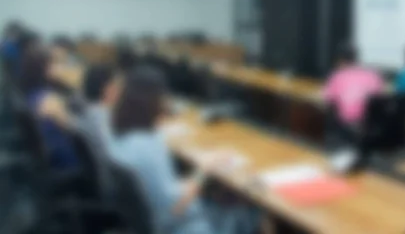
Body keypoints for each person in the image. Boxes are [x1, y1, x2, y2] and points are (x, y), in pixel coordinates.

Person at [110, 66, 254, 234]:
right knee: (244, 214)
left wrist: (193, 179)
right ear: (152, 103)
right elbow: (175, 207)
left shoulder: (120, 136)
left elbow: (161, 190)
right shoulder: (148, 145)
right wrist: (202, 171)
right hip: (177, 226)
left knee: (224, 202)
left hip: (150, 220)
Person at [19, 45, 79, 170]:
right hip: (64, 158)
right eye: (54, 64)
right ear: (44, 69)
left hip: (47, 153)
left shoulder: (31, 92)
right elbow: (77, 130)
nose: (58, 68)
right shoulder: (50, 101)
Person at [324, 45, 384, 127]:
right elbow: (380, 98)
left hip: (346, 126)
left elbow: (329, 102)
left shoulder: (336, 77)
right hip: (370, 126)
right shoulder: (373, 75)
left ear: (340, 60)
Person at [79, 64, 122, 150]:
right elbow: (111, 150)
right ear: (105, 89)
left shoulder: (92, 110)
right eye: (116, 84)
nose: (120, 89)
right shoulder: (100, 116)